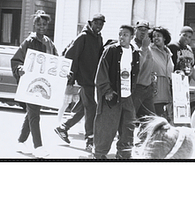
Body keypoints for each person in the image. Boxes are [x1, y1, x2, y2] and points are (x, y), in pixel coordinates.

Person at [11, 10, 58, 158]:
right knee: (35, 115)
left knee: (32, 113)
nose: (41, 27)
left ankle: (20, 141)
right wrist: (19, 69)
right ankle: (38, 147)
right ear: (34, 24)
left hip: (43, 84)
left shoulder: (49, 42)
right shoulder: (29, 41)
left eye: (44, 24)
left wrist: (64, 73)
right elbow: (16, 59)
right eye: (38, 24)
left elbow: (56, 61)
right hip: (30, 84)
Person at [54, 14, 105, 151]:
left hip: (93, 79)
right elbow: (70, 55)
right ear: (91, 23)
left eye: (101, 24)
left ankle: (63, 127)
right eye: (96, 23)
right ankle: (90, 139)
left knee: (83, 107)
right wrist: (71, 76)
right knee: (91, 108)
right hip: (84, 79)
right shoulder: (83, 37)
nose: (98, 26)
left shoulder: (99, 38)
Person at [93, 25, 140, 159]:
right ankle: (99, 155)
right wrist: (107, 90)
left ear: (132, 37)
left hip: (128, 97)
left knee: (127, 128)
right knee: (106, 127)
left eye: (125, 35)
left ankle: (124, 155)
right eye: (120, 34)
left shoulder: (135, 53)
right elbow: (101, 72)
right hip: (112, 97)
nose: (121, 37)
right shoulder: (111, 51)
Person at [168, 26, 195, 97]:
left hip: (184, 84)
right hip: (172, 84)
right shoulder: (172, 46)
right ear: (179, 34)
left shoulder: (189, 49)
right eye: (184, 35)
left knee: (182, 107)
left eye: (189, 37)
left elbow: (192, 69)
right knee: (171, 106)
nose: (187, 38)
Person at [131, 21, 155, 118]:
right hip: (136, 87)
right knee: (130, 116)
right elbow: (137, 66)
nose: (143, 33)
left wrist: (152, 76)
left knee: (150, 118)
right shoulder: (133, 46)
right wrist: (144, 48)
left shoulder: (147, 46)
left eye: (145, 30)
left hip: (147, 87)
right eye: (140, 30)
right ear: (135, 30)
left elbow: (150, 64)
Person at [149, 26, 174, 118]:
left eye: (158, 35)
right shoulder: (149, 50)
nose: (156, 38)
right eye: (154, 36)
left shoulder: (168, 53)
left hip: (167, 93)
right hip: (155, 92)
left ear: (164, 38)